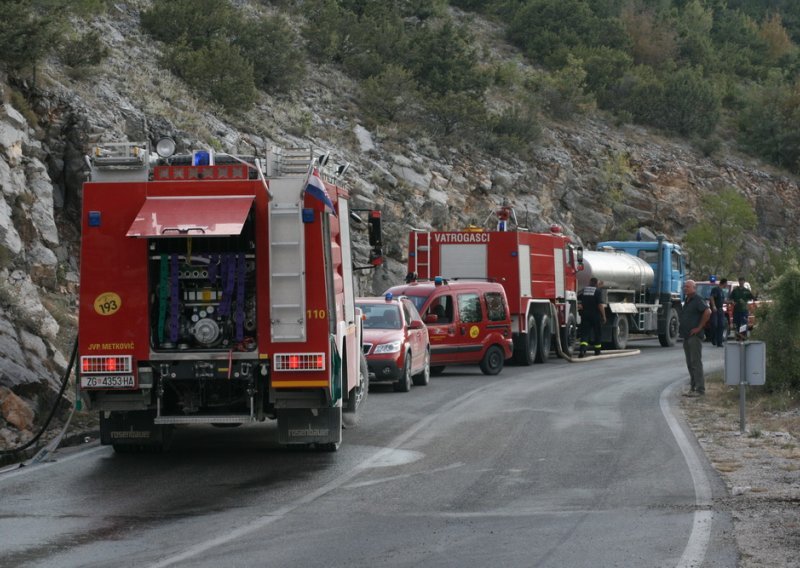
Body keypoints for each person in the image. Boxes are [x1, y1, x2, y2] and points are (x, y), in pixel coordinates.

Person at [679, 279, 711, 396]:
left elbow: (707, 312)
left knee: (696, 362)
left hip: (695, 337)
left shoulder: (698, 299)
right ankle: (693, 388)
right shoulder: (687, 300)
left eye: (687, 287)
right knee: (690, 363)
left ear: (694, 288)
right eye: (684, 287)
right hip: (686, 336)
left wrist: (699, 327)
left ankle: (700, 389)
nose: (685, 288)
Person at [578, 277, 606, 357]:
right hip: (595, 316)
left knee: (585, 334)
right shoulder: (598, 291)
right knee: (597, 333)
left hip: (585, 315)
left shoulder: (584, 291)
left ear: (590, 282)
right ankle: (597, 351)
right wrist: (604, 316)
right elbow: (600, 305)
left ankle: (582, 350)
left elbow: (579, 300)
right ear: (596, 283)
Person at [708, 277, 727, 347]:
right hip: (715, 310)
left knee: (721, 325)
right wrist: (713, 306)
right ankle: (713, 338)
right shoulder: (716, 289)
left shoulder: (722, 291)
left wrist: (730, 302)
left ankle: (719, 342)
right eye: (726, 284)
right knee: (714, 324)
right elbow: (712, 297)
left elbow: (722, 301)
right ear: (724, 283)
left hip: (720, 309)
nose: (726, 285)